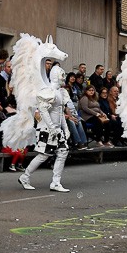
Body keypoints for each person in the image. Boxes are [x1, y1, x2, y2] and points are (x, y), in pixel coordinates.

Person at [19, 65, 72, 193]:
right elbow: (43, 110)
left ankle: (55, 182)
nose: (63, 77)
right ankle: (25, 176)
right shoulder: (49, 91)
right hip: (48, 129)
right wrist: (52, 127)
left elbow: (60, 113)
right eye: (61, 75)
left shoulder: (60, 92)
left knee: (63, 152)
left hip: (56, 129)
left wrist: (65, 129)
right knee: (44, 155)